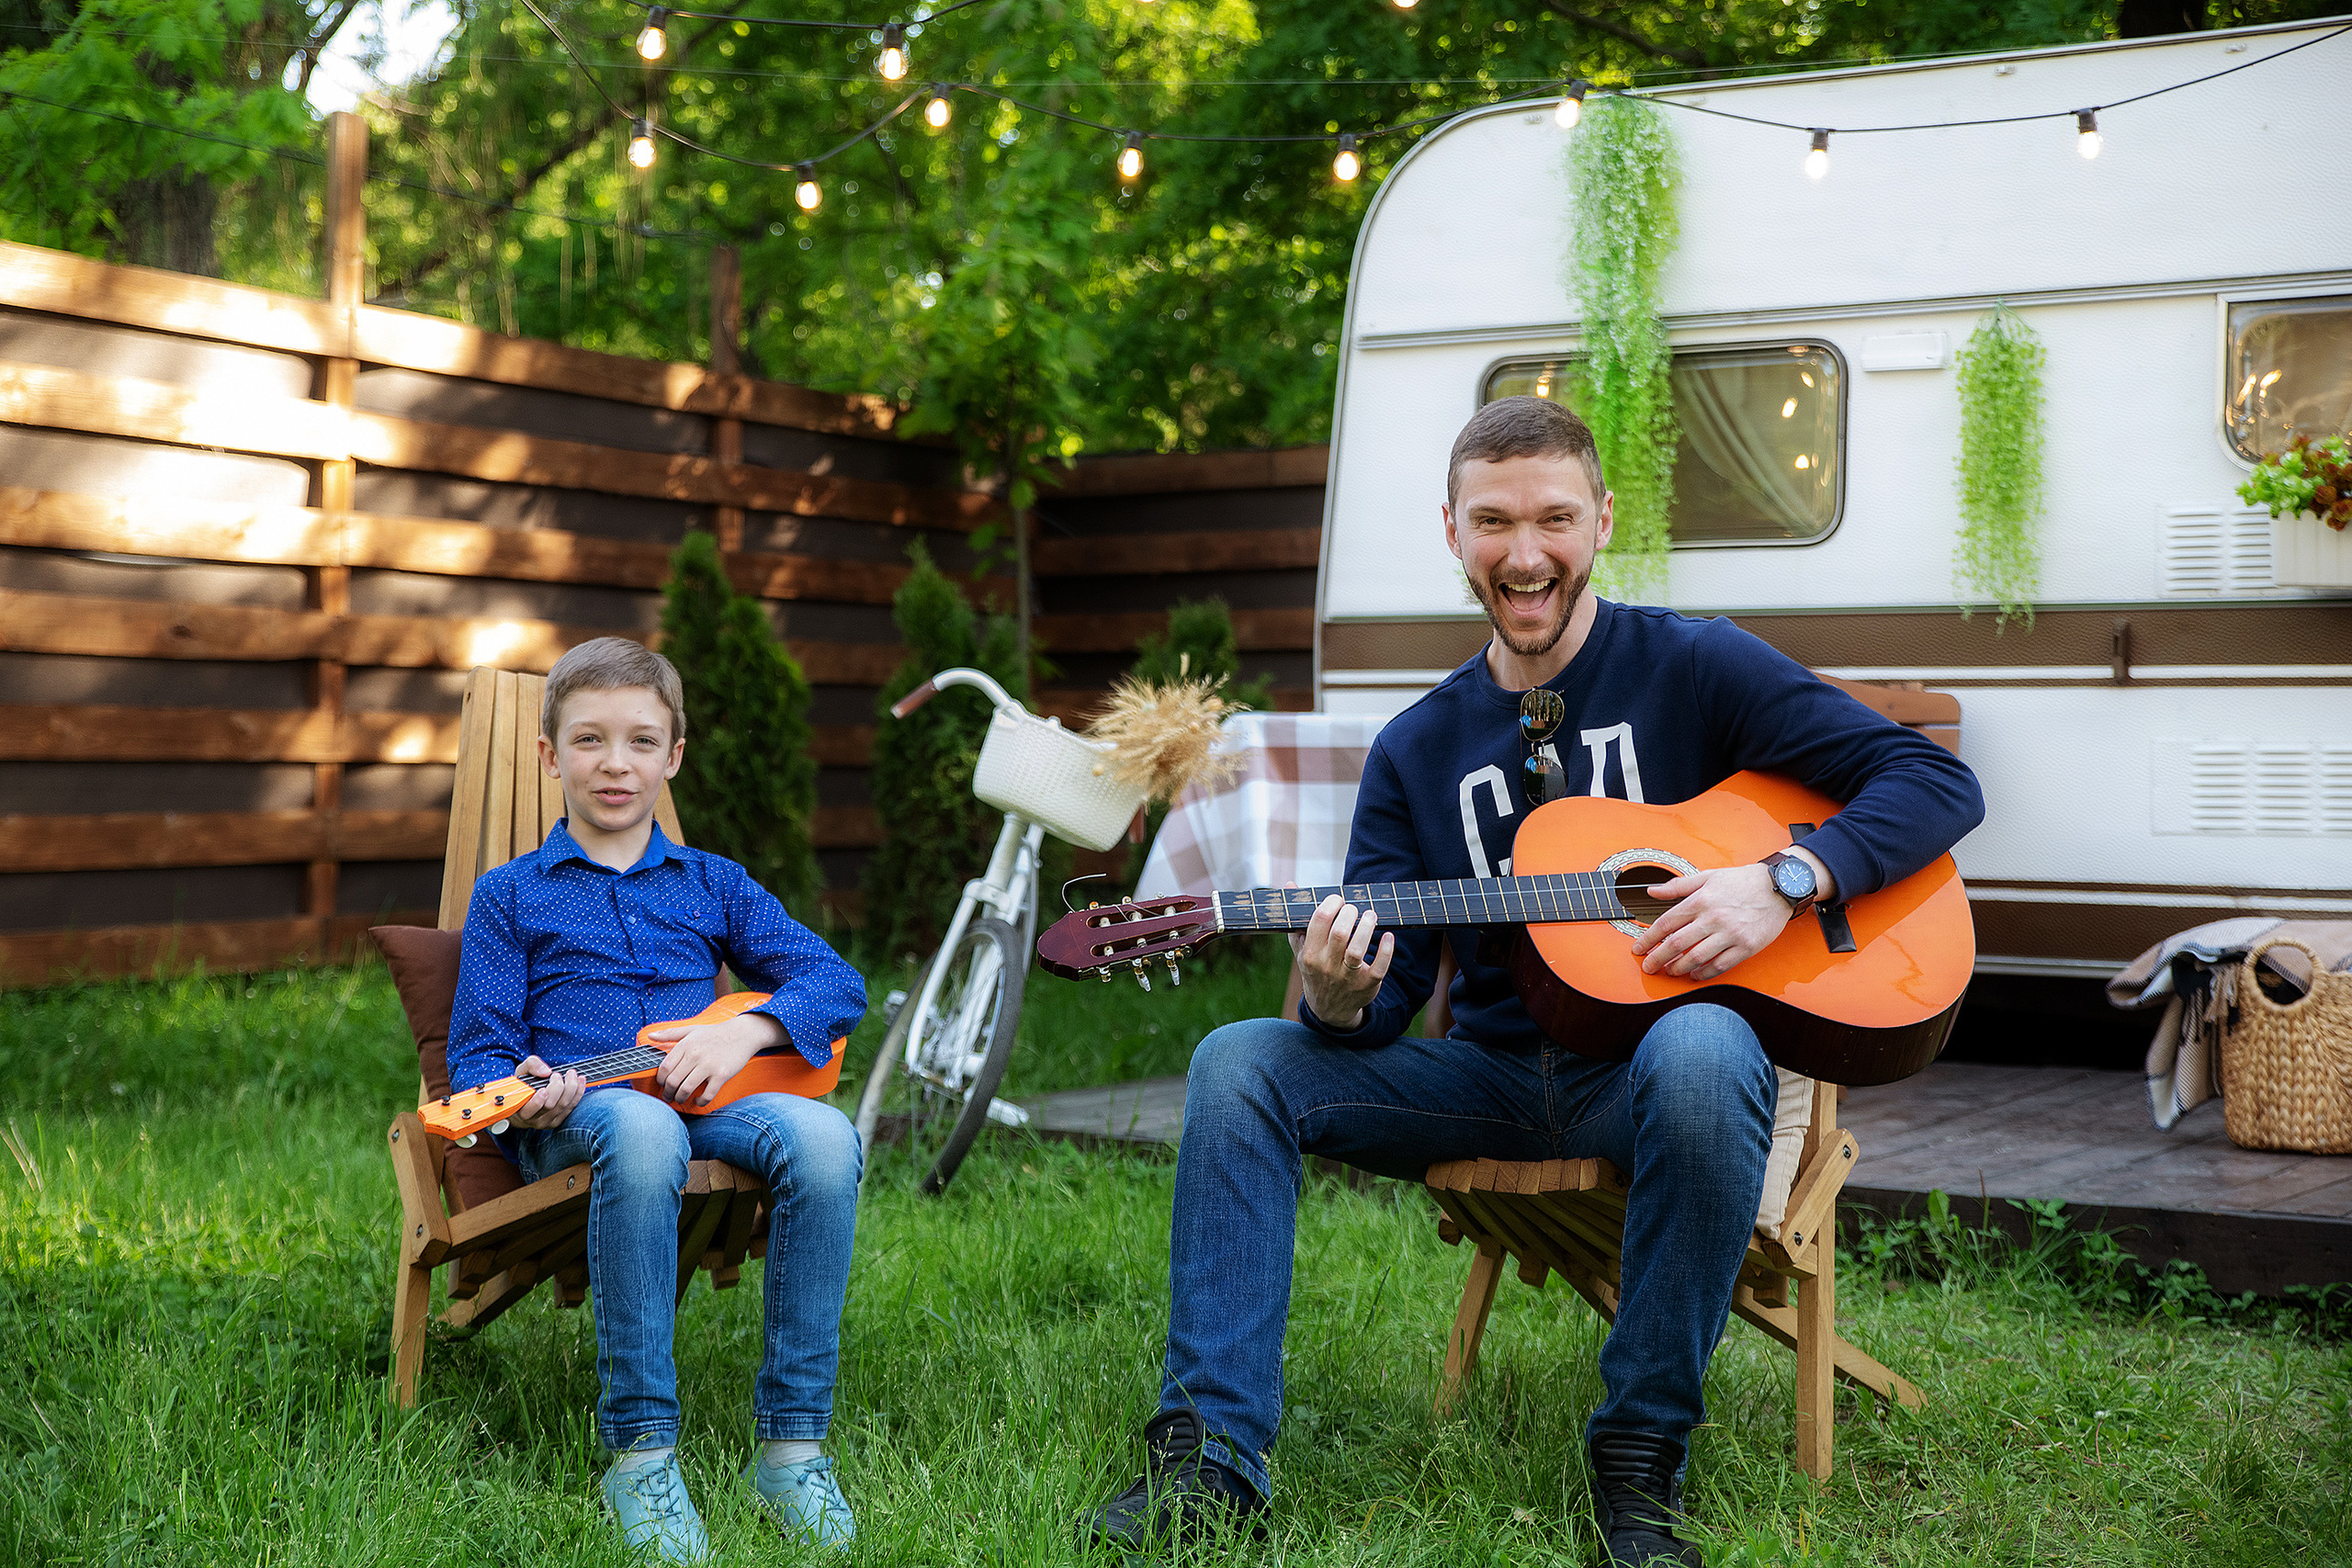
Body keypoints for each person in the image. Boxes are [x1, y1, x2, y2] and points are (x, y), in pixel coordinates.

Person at [1082, 398, 1984, 1567]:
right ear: (1452, 535)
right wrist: (1341, 996)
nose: (1525, 552)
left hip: (1656, 1076)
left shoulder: (1695, 665)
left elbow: (1929, 782)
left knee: (1707, 1049)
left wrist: (1786, 878)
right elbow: (1386, 995)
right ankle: (1210, 1461)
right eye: (1493, 522)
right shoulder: (1420, 745)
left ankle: (1638, 1463)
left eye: (1554, 518)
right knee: (1238, 1060)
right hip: (1493, 1081)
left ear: (1599, 521)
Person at [447, 637, 868, 1565]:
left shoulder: (713, 881)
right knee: (636, 1124)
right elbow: (479, 1055)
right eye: (590, 741)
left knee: (828, 1138)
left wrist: (744, 1034)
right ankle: (640, 1452)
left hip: (708, 1103)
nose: (615, 763)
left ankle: (793, 1447)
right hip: (583, 1121)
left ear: (672, 756)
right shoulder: (509, 896)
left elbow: (834, 981)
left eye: (641, 741)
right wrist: (528, 1096)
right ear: (551, 756)